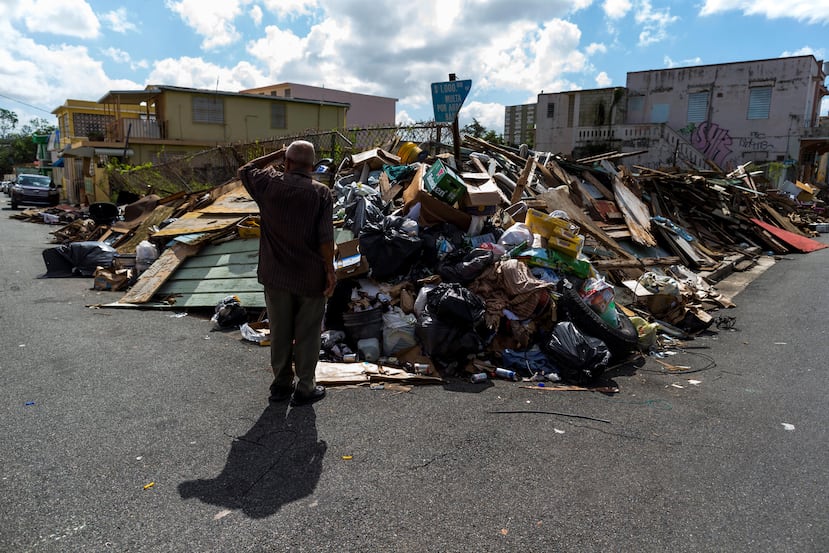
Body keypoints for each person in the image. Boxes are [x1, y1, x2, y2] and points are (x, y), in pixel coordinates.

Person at [238, 140, 335, 405]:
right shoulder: (321, 193)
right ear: (313, 167)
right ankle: (304, 389)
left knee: (280, 332)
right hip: (310, 278)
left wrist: (277, 154)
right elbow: (326, 239)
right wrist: (330, 271)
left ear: (287, 163)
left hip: (276, 276)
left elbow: (245, 169)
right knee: (307, 334)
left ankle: (280, 386)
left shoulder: (268, 184)